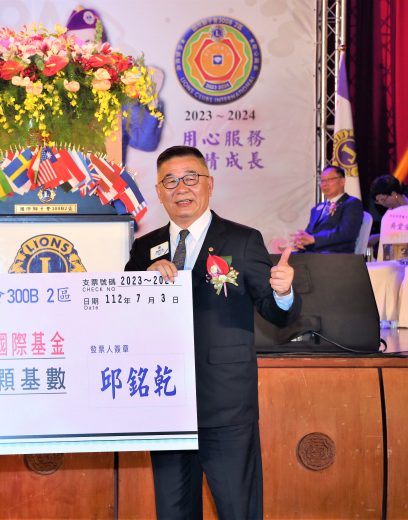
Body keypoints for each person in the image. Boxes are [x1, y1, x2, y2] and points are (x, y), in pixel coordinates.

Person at [125, 145, 301, 519]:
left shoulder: (242, 240)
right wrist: (142, 284)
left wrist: (283, 292)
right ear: (158, 191)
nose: (181, 188)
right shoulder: (144, 249)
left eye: (191, 178)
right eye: (170, 181)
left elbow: (274, 313)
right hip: (165, 405)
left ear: (209, 184)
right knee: (173, 511)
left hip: (225, 405)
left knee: (237, 509)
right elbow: (124, 318)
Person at [63, 6, 164, 161]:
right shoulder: (50, 91)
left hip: (109, 176)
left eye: (90, 42)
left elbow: (145, 143)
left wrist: (151, 99)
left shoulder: (119, 91)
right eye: (75, 43)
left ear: (104, 47)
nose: (82, 49)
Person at [291, 165, 364, 253]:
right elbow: (309, 234)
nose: (325, 184)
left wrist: (314, 239)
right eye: (322, 180)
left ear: (342, 181)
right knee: (282, 258)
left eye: (329, 180)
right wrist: (301, 241)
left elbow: (346, 232)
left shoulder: (352, 203)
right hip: (313, 254)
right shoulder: (316, 209)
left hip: (336, 254)